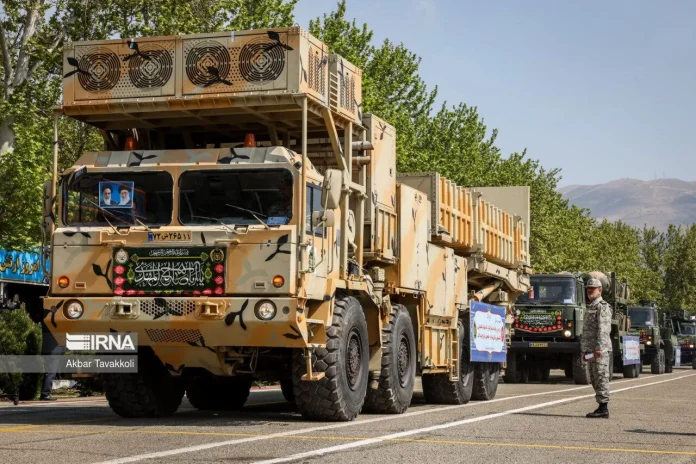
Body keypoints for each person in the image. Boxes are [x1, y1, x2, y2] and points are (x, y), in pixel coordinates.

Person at [582, 278, 612, 418]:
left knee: (601, 376)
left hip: (600, 350)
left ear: (599, 290)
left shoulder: (602, 306)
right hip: (591, 350)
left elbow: (604, 329)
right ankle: (601, 406)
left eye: (592, 289)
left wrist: (600, 348)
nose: (589, 291)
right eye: (588, 289)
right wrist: (586, 350)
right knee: (594, 378)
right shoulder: (591, 306)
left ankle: (603, 408)